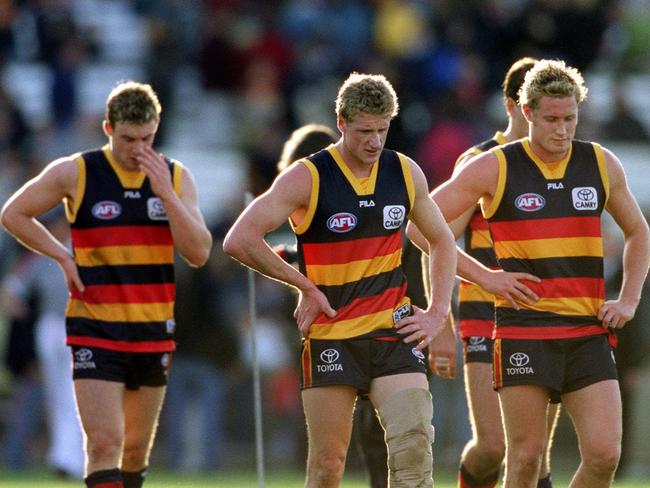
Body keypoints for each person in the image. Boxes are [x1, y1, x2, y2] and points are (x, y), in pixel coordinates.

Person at [413, 59, 650, 488]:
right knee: (522, 459)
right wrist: (486, 277)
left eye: (570, 119)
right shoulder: (492, 165)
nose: (562, 130)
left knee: (604, 455)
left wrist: (629, 298)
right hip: (524, 330)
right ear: (527, 113)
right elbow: (419, 226)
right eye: (552, 120)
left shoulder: (600, 162)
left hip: (586, 329)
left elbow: (638, 231)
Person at [223, 72, 457, 487]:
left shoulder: (405, 172)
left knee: (414, 446)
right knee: (328, 467)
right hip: (332, 335)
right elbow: (239, 239)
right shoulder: (307, 177)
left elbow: (441, 241)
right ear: (342, 122)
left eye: (383, 130)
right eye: (365, 130)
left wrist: (438, 311)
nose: (374, 141)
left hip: (393, 330)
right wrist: (305, 286)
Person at [0, 81, 213, 488]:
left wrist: (167, 196)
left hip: (153, 329)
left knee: (134, 450)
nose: (138, 149)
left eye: (147, 138)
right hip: (95, 327)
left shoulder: (175, 177)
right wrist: (62, 254)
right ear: (108, 129)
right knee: (103, 443)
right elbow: (14, 213)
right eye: (129, 138)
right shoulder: (77, 172)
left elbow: (199, 252)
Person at [413, 57, 560, 488]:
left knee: (534, 456)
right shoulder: (480, 160)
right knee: (493, 446)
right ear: (514, 105)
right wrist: (441, 318)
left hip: (546, 315)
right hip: (485, 317)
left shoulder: (563, 162)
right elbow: (435, 240)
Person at [276, 122, 392, 487]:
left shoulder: (377, 189)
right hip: (328, 331)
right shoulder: (309, 190)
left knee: (385, 435)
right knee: (332, 452)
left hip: (388, 325)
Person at [2, 206, 85, 479]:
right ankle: (64, 456)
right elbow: (10, 290)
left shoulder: (84, 250)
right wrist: (25, 315)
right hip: (51, 325)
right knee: (58, 394)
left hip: (80, 323)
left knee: (73, 393)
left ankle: (72, 457)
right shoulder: (41, 253)